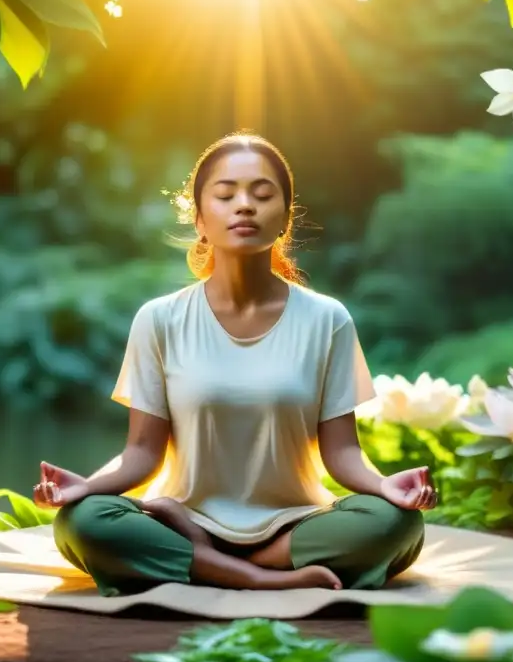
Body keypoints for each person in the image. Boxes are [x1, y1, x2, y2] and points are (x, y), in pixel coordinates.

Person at [32, 132, 437, 597]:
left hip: (295, 527)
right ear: (200, 218)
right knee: (84, 523)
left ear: (284, 217)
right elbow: (142, 451)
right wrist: (87, 487)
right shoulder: (159, 320)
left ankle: (217, 564)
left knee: (395, 525)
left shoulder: (328, 319)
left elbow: (342, 453)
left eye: (262, 195)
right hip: (183, 517)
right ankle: (256, 577)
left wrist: (386, 486)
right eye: (225, 195)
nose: (244, 205)